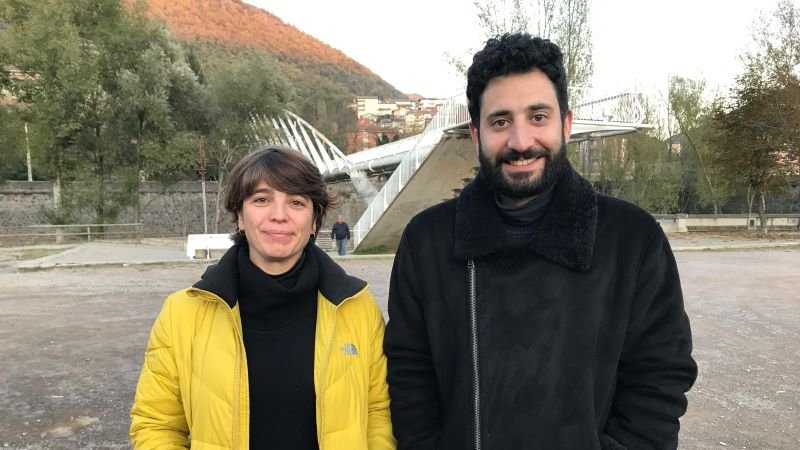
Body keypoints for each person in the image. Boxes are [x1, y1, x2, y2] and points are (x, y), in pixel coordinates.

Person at [384, 33, 697, 450]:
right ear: (476, 134)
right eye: (500, 122)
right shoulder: (427, 241)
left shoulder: (632, 239)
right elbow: (410, 380)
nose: (520, 142)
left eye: (537, 117)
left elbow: (659, 379)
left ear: (565, 124)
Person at [131, 146, 395, 450]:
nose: (279, 215)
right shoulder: (183, 314)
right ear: (240, 216)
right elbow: (156, 424)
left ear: (314, 221)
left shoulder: (356, 309)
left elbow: (377, 415)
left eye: (296, 202)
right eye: (261, 199)